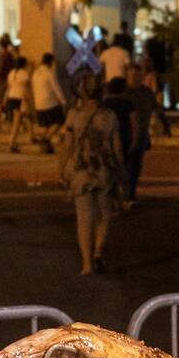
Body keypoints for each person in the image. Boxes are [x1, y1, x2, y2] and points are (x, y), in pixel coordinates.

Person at [59, 74, 123, 275]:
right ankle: (97, 253)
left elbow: (67, 146)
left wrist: (60, 169)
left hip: (81, 170)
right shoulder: (110, 116)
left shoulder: (73, 115)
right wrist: (122, 172)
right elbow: (117, 149)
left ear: (82, 91)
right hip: (103, 169)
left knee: (84, 218)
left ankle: (86, 264)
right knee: (104, 215)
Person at [123, 62, 157, 204]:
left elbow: (156, 109)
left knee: (135, 166)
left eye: (138, 75)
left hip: (141, 135)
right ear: (127, 75)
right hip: (124, 135)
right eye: (132, 75)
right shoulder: (122, 92)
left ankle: (130, 194)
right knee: (123, 165)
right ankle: (122, 194)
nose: (135, 78)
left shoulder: (147, 92)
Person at [30, 53, 66, 153]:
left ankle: (45, 141)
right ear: (51, 62)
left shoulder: (36, 72)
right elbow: (56, 87)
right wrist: (62, 100)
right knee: (60, 120)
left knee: (48, 124)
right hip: (49, 102)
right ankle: (46, 139)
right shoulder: (49, 72)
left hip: (38, 103)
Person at [5, 57, 31, 153]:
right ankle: (11, 143)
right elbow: (26, 88)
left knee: (25, 118)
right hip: (19, 99)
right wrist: (28, 100)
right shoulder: (24, 73)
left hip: (11, 98)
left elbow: (9, 87)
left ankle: (31, 136)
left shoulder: (11, 73)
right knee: (17, 123)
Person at [0, 34, 16, 125]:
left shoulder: (3, 55)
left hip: (1, 80)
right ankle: (8, 118)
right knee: (6, 101)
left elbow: (1, 69)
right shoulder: (10, 55)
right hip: (9, 79)